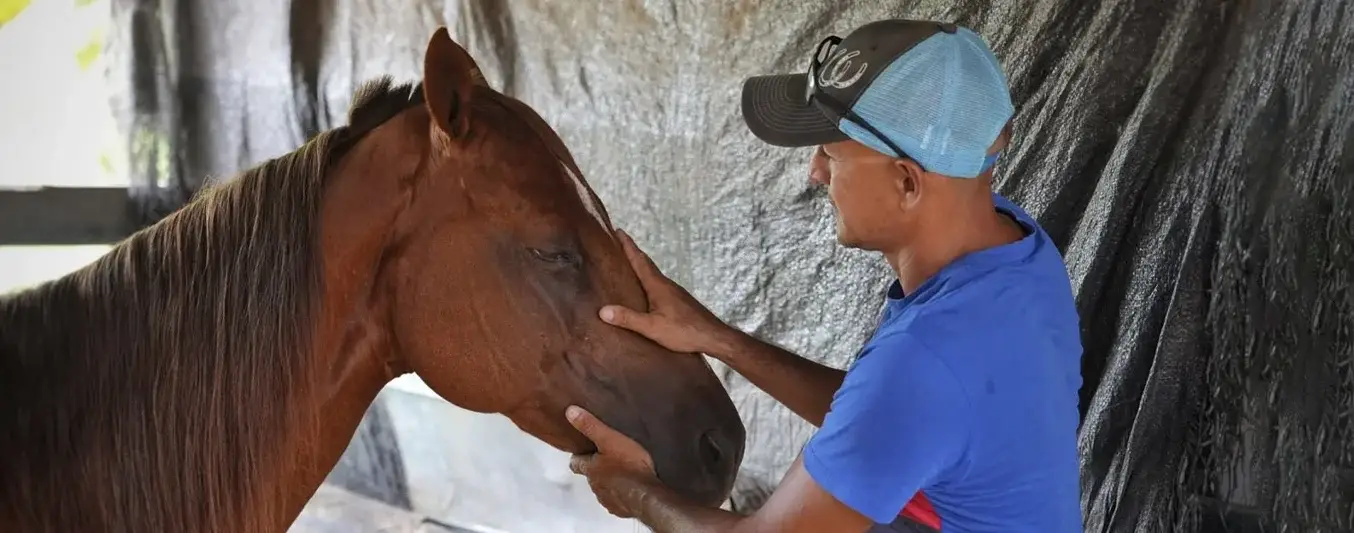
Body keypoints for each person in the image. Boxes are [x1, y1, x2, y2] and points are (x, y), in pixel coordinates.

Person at [565, 18, 1084, 533]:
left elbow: (905, 393)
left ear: (907, 181)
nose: (814, 172)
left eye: (831, 154)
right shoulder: (1014, 250)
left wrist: (632, 486)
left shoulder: (927, 358)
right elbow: (892, 418)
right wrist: (716, 338)